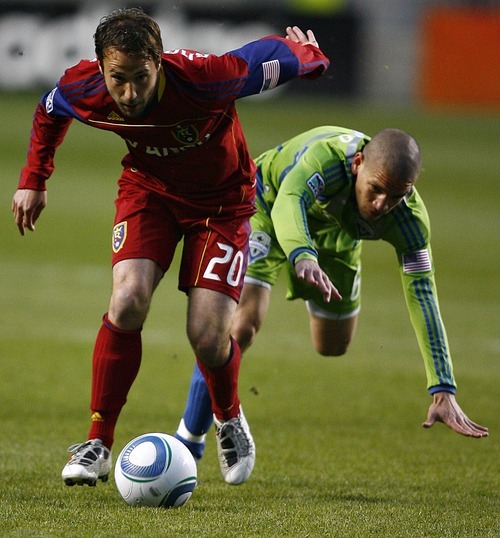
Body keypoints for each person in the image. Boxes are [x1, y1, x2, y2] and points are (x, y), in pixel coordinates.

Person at [11, 8, 330, 487]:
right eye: (119, 79)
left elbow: (264, 57)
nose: (131, 93)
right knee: (127, 299)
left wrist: (309, 57)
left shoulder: (205, 80)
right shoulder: (86, 88)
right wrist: (34, 180)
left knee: (206, 334)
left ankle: (228, 416)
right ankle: (97, 441)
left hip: (222, 205)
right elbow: (50, 109)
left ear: (158, 63)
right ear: (101, 68)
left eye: (142, 77)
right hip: (149, 193)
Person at [174, 125, 489, 465]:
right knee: (241, 326)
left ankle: (314, 274)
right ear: (357, 164)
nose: (383, 204)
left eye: (397, 196)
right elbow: (289, 201)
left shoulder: (410, 222)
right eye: (376, 189)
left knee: (332, 345)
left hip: (337, 237)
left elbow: (423, 295)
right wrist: (302, 255)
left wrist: (443, 386)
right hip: (266, 207)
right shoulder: (324, 161)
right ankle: (190, 439)